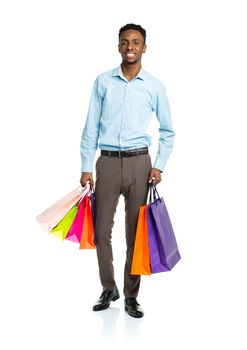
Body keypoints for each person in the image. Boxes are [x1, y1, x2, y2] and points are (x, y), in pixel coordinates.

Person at [80, 23, 175, 318]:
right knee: (100, 231)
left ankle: (132, 295)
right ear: (118, 46)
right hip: (106, 163)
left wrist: (159, 165)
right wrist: (86, 167)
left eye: (136, 42)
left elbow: (168, 131)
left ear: (144, 47)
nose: (130, 46)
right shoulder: (102, 82)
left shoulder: (155, 86)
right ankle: (109, 288)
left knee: (136, 234)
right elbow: (91, 127)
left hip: (139, 165)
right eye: (125, 42)